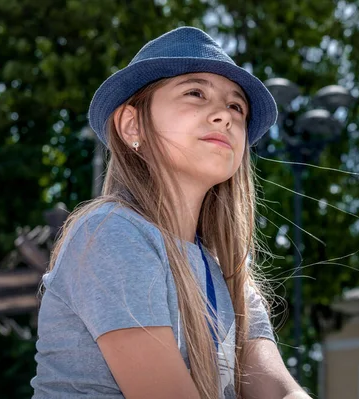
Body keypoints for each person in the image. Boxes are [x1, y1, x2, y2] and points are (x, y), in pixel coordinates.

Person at [30, 26, 310, 399]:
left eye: (236, 106)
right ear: (132, 124)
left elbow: (280, 393)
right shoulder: (111, 234)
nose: (224, 116)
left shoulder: (228, 272)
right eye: (195, 93)